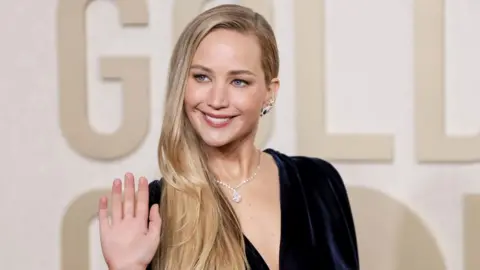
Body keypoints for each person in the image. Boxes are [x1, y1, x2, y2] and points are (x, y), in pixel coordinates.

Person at [97, 4, 359, 270]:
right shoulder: (155, 210)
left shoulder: (318, 182)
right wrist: (126, 267)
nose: (217, 100)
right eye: (201, 77)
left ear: (270, 92)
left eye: (238, 82)